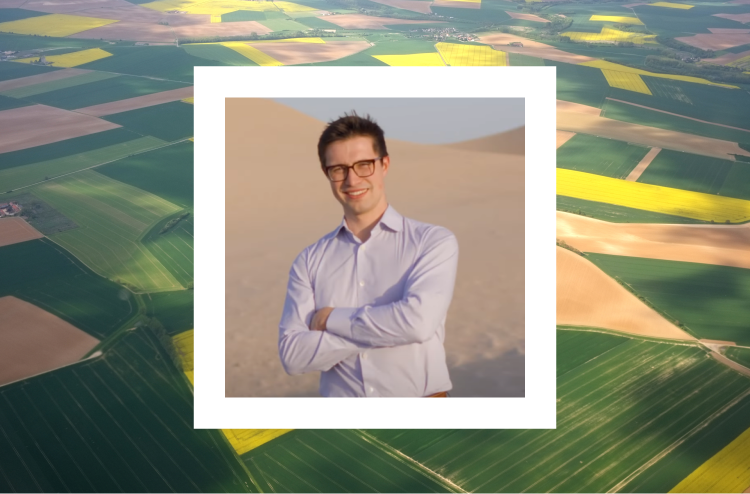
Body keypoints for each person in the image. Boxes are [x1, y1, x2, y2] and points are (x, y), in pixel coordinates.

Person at [278, 112, 459, 397]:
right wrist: (388, 329)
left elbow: (418, 323)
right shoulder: (309, 261)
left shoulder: (432, 241)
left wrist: (330, 322)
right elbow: (292, 356)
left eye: (364, 165)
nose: (352, 179)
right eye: (338, 169)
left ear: (384, 164)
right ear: (327, 174)